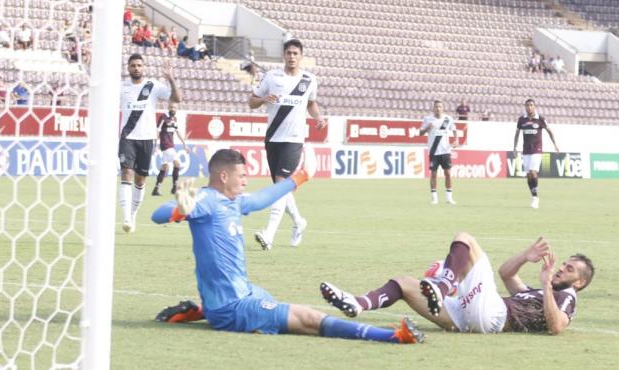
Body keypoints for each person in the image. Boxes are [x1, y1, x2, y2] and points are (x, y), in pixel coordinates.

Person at [150, 149, 423, 344]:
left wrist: (300, 178)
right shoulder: (207, 200)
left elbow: (260, 199)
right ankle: (393, 336)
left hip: (243, 292)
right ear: (223, 176)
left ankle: (202, 309)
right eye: (242, 175)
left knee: (281, 309)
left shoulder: (233, 201)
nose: (246, 181)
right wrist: (178, 210)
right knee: (307, 318)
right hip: (232, 306)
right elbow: (158, 213)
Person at [321, 231, 594, 335]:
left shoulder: (566, 297)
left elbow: (557, 326)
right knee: (404, 283)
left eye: (569, 269)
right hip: (471, 317)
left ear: (579, 282)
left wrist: (547, 285)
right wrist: (526, 256)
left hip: (496, 315)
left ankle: (442, 284)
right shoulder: (539, 294)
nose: (561, 269)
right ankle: (358, 303)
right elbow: (507, 275)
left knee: (466, 239)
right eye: (564, 264)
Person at [249, 39, 326, 250]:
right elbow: (251, 101)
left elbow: (311, 103)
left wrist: (318, 117)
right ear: (284, 55)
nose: (292, 57)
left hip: (294, 139)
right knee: (280, 188)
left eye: (295, 53)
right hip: (273, 138)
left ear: (301, 56)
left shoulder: (309, 80)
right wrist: (265, 98)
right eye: (289, 53)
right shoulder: (272, 77)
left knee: (281, 185)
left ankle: (269, 234)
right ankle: (299, 222)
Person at [117, 54, 182, 233]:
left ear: (143, 68)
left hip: (147, 138)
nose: (136, 68)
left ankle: (133, 215)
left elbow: (177, 99)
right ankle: (126, 218)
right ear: (128, 68)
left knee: (140, 179)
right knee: (126, 174)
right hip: (127, 137)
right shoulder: (122, 87)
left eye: (139, 65)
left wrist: (171, 78)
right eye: (133, 66)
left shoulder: (153, 86)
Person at [513, 99, 559, 209]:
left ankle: (536, 198)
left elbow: (550, 132)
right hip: (526, 150)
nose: (529, 107)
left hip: (537, 150)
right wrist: (515, 147)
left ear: (534, 107)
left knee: (533, 172)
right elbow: (517, 134)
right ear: (525, 107)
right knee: (528, 175)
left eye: (531, 105)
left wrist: (555, 145)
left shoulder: (540, 119)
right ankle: (533, 195)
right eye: (527, 105)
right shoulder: (521, 120)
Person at [420, 100, 460, 205]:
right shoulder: (428, 119)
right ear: (433, 108)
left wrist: (456, 140)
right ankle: (434, 198)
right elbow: (420, 133)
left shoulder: (447, 119)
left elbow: (455, 130)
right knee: (433, 174)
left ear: (443, 108)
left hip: (445, 151)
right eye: (436, 106)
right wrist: (428, 127)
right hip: (433, 151)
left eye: (440, 106)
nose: (438, 108)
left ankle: (449, 198)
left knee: (448, 173)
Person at [152, 102, 189, 196]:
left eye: (175, 107)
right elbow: (157, 130)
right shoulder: (163, 117)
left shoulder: (174, 119)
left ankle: (156, 188)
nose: (173, 109)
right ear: (168, 107)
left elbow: (177, 132)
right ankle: (174, 187)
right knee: (177, 163)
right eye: (172, 107)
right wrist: (155, 144)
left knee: (165, 166)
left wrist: (185, 144)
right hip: (165, 145)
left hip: (171, 145)